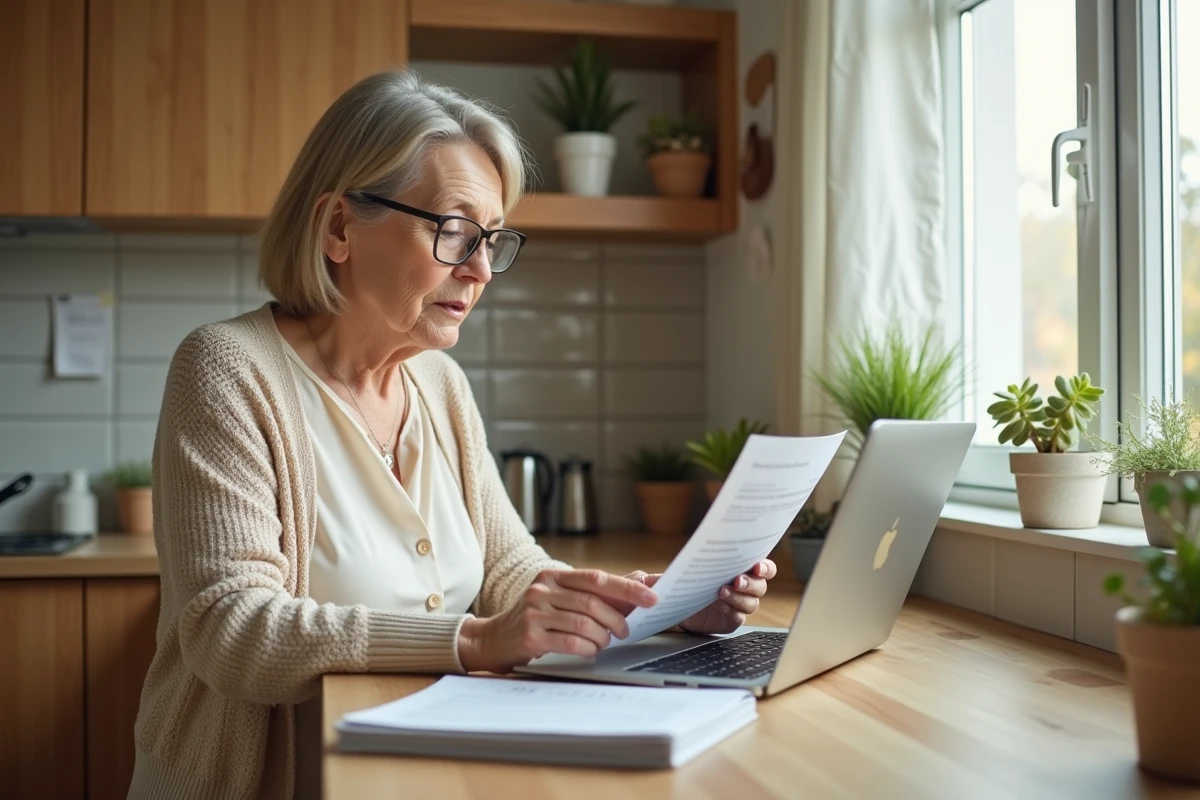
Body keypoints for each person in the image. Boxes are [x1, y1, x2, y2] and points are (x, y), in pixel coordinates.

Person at [127, 69, 778, 800]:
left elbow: (509, 570)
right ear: (340, 227)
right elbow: (230, 632)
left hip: (413, 766)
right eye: (453, 232)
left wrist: (657, 606)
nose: (478, 269)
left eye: (492, 240)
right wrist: (474, 641)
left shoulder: (438, 383)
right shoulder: (226, 369)